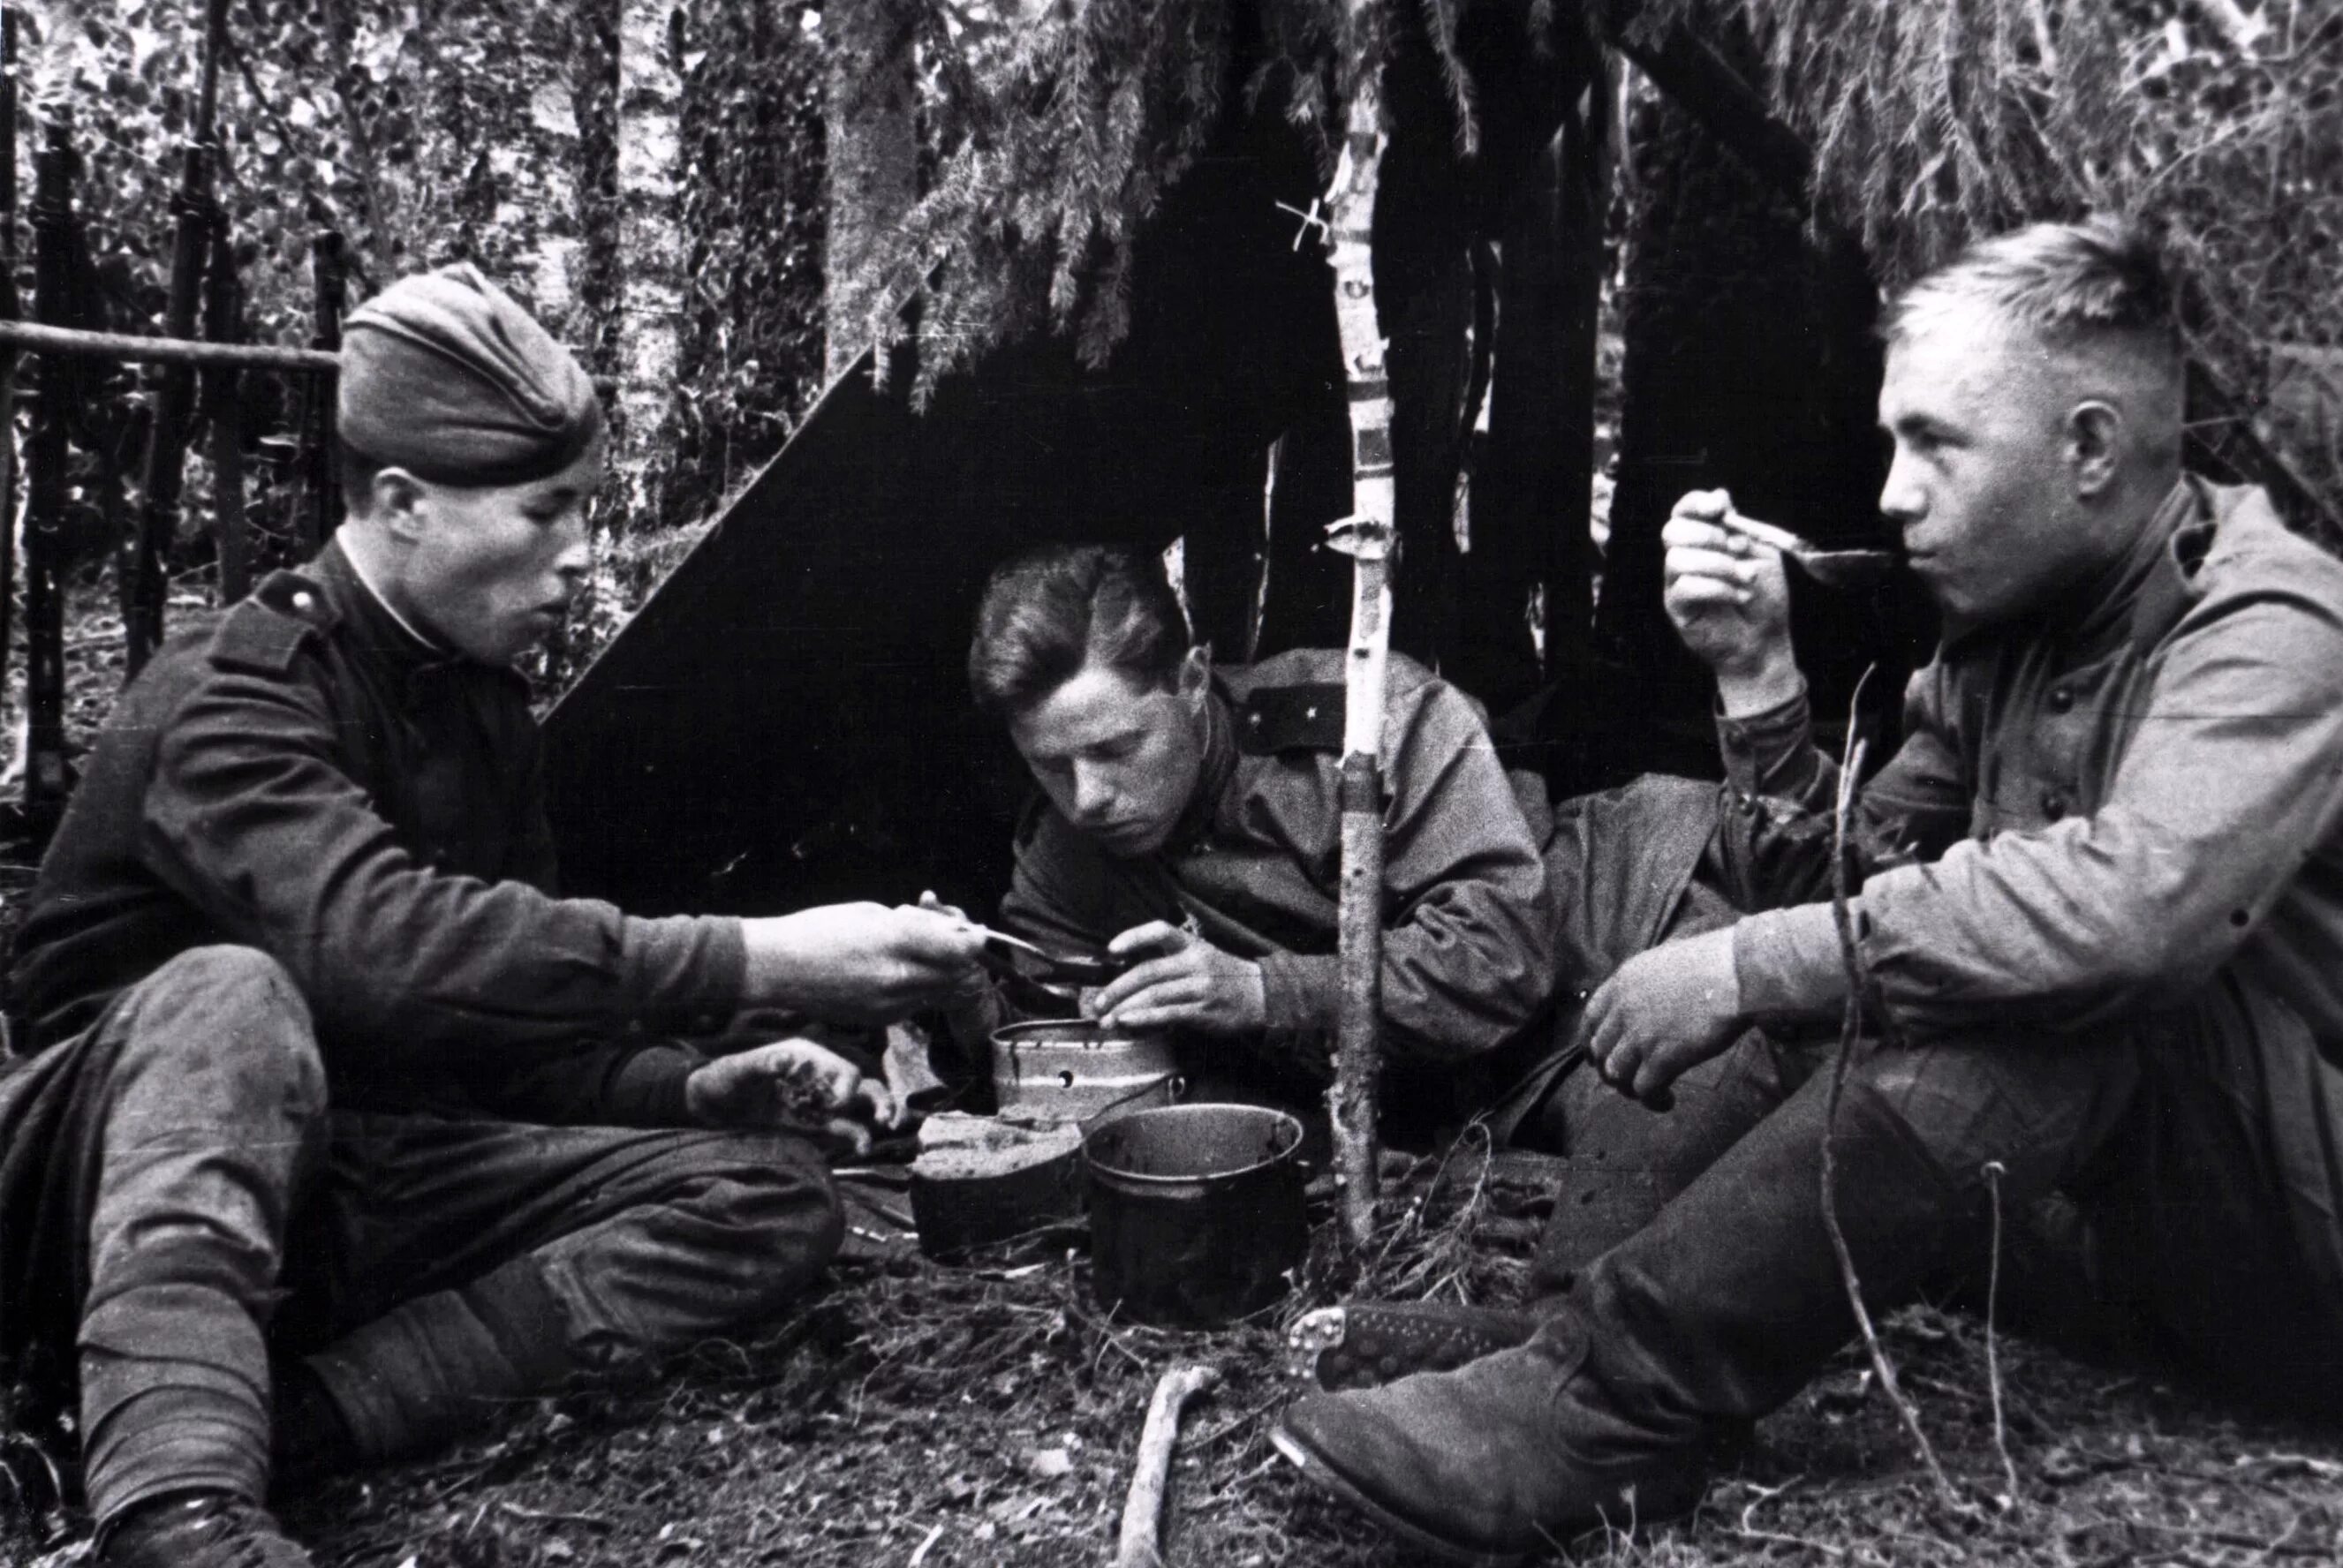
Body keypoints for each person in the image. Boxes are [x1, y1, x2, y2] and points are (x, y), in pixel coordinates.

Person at [1271, 215, 2343, 1563]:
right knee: (1855, 957)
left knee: (2032, 989)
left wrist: (1743, 966)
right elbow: (1855, 895)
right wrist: (1754, 675)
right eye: (1895, 440)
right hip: (2175, 1250)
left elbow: (2124, 918)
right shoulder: (2002, 652)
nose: (1892, 491)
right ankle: (1568, 1336)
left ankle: (1607, 1409)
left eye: (1936, 443)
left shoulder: (2274, 632)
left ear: (2087, 448)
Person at [0, 265, 987, 1568]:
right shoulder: (236, 697)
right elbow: (389, 952)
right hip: (92, 1197)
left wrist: (695, 1092)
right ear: (402, 506)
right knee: (230, 995)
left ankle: (288, 1421)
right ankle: (177, 1514)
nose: (580, 551)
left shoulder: (480, 714)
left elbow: (504, 1041)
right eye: (546, 511)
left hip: (340, 1186)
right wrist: (757, 953)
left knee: (767, 1198)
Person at [964, 545, 1551, 1135]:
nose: (1086, 799)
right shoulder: (1061, 854)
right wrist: (971, 1003)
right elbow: (1060, 1051)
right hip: (1367, 1113)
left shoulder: (1374, 726)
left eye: (1114, 750)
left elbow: (1499, 957)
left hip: (1566, 1024)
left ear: (1192, 680)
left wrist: (1261, 993)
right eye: (1050, 766)